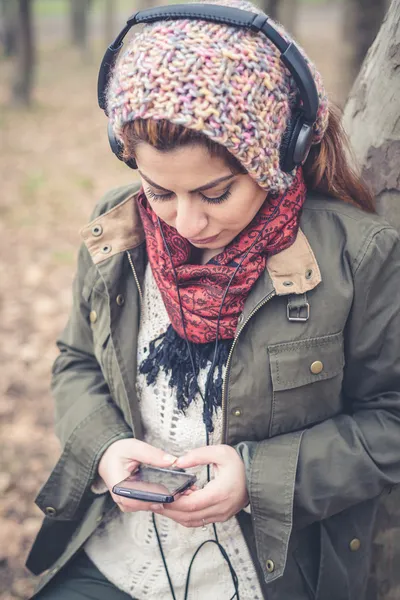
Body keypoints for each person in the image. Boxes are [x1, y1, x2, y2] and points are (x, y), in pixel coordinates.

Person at [26, 1, 400, 599]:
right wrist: (105, 447)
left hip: (265, 576)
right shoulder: (115, 233)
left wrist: (258, 478)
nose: (186, 221)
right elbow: (75, 362)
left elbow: (392, 417)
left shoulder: (360, 258)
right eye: (160, 192)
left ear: (279, 156)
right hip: (117, 557)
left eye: (216, 193)